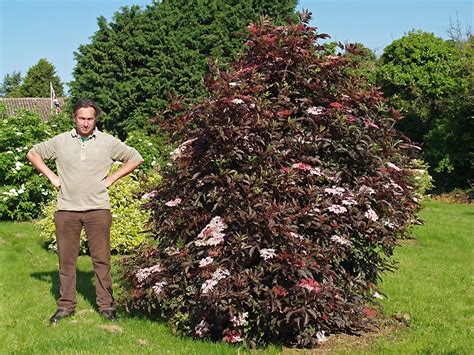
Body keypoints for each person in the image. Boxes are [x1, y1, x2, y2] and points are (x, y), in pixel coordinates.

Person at [27, 99, 144, 324]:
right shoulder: (61, 141)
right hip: (67, 210)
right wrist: (52, 176)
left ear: (95, 119)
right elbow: (33, 153)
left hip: (98, 210)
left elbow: (135, 158)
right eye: (82, 118)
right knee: (66, 260)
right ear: (74, 118)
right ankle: (66, 306)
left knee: (101, 260)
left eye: (90, 118)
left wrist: (112, 178)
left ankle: (106, 306)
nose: (86, 123)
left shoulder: (107, 142)